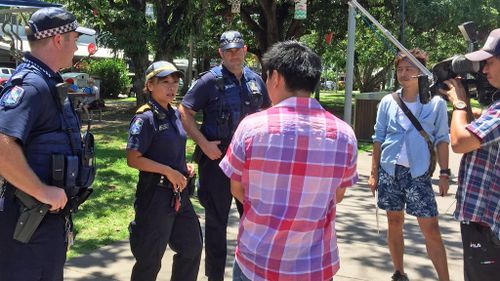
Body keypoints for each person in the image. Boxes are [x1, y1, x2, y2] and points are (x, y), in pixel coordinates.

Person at [219, 40, 358, 281]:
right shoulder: (344, 134)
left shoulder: (251, 128)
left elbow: (237, 188)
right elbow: (338, 195)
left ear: (275, 77)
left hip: (257, 261)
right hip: (314, 265)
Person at [0, 7, 95, 280]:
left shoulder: (45, 82)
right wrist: (42, 191)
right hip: (28, 225)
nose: (76, 46)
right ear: (58, 39)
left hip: (44, 223)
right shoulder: (31, 86)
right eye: (74, 38)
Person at [179, 30, 271, 281]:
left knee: (253, 222)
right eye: (228, 50)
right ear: (221, 53)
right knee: (217, 223)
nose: (233, 54)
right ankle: (215, 277)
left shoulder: (255, 80)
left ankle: (251, 273)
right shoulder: (209, 81)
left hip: (250, 165)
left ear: (245, 50)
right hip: (217, 161)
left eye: (237, 49)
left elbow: (268, 114)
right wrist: (203, 143)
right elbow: (185, 110)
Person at [368, 48, 450, 281]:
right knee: (394, 222)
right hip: (390, 171)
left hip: (419, 173)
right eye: (399, 69)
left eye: (409, 69)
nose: (403, 74)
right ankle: (399, 272)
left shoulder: (436, 104)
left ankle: (445, 278)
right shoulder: (388, 101)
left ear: (422, 72)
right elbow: (378, 137)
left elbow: (442, 139)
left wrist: (444, 173)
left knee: (431, 229)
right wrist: (374, 173)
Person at [127, 61, 202, 281]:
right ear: (150, 85)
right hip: (156, 195)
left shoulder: (174, 114)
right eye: (165, 82)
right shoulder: (145, 118)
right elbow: (133, 159)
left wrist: (183, 166)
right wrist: (168, 171)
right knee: (149, 260)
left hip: (179, 194)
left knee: (192, 248)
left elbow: (171, 148)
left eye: (175, 82)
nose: (172, 87)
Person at [440, 28, 500, 281]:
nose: (484, 70)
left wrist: (460, 104)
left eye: (489, 62)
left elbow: (460, 142)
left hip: (486, 224)